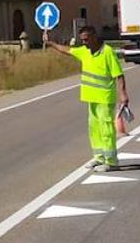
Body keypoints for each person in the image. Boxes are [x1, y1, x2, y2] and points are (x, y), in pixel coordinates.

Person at [43, 24, 130, 172]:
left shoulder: (107, 52)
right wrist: (51, 43)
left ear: (94, 37)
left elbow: (118, 75)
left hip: (105, 98)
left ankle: (111, 161)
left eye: (86, 39)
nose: (84, 43)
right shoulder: (85, 52)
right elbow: (67, 50)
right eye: (82, 40)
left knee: (106, 129)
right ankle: (99, 157)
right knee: (94, 128)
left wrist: (123, 94)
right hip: (91, 98)